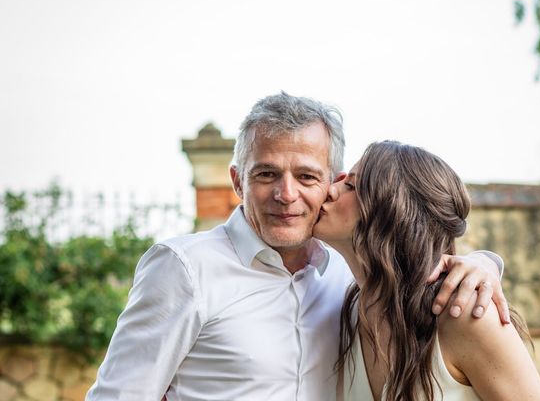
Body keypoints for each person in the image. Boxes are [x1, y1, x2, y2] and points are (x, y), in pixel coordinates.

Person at [87, 93, 508, 401]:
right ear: (238, 181)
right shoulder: (184, 269)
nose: (286, 195)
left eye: (307, 177)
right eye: (267, 174)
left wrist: (483, 263)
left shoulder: (352, 276)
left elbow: (417, 263)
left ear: (332, 183)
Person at [313, 140, 540, 401]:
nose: (330, 190)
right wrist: (486, 260)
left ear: (393, 210)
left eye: (351, 186)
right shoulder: (346, 313)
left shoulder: (464, 314)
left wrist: (486, 262)